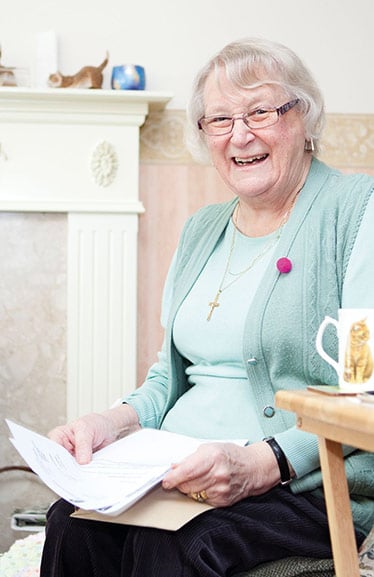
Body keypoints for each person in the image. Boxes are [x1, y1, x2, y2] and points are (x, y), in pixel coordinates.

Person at [40, 37, 374, 577]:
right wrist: (110, 422)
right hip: (175, 472)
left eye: (261, 111)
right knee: (70, 521)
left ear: (305, 118)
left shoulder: (358, 214)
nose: (240, 134)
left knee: (172, 541)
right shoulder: (202, 231)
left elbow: (366, 393)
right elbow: (167, 380)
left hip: (303, 487)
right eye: (220, 119)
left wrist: (263, 462)